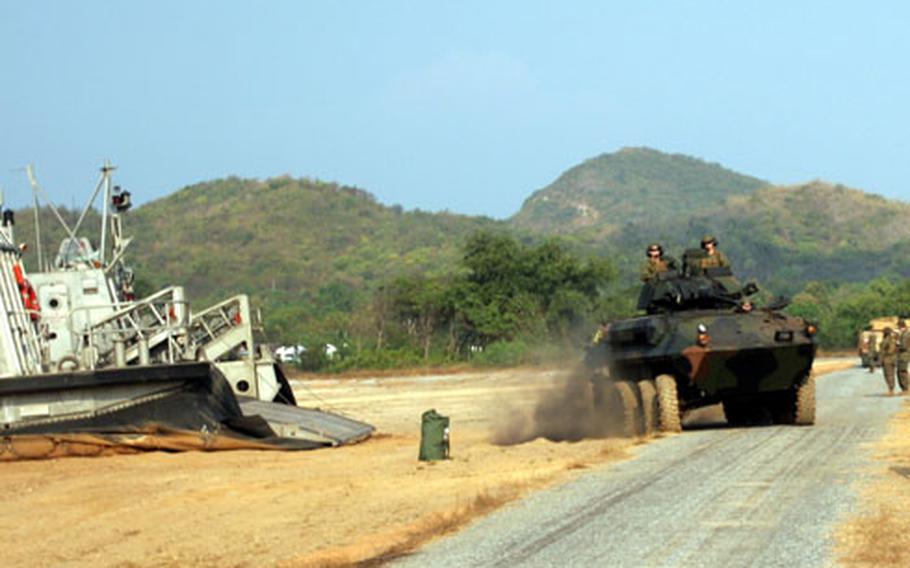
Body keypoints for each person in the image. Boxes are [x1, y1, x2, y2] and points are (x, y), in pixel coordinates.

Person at [881, 327, 898, 395]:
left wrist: (883, 357)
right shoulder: (893, 340)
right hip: (893, 359)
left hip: (887, 359)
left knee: (888, 375)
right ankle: (891, 389)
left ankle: (891, 390)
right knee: (892, 374)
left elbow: (885, 350)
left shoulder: (886, 340)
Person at [897, 319, 910, 394]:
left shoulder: (905, 335)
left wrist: (897, 345)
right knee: (902, 372)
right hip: (904, 355)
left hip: (904, 355)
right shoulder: (905, 334)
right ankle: (905, 389)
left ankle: (906, 389)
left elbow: (904, 346)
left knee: (902, 372)